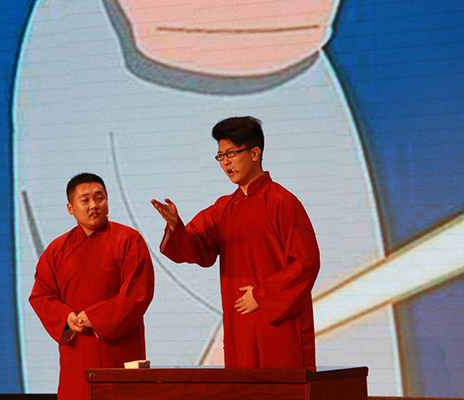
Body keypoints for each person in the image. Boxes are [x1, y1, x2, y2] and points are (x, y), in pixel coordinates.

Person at [151, 117, 320, 368]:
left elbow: (306, 263)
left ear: (255, 153)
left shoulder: (282, 201)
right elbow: (198, 248)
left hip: (278, 323)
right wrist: (176, 226)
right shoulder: (224, 208)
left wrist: (262, 296)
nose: (225, 162)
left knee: (282, 383)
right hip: (240, 324)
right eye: (221, 156)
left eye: (231, 153)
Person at [29, 173, 155, 400]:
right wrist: (66, 317)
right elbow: (41, 295)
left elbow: (137, 293)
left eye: (99, 198)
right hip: (77, 351)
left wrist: (96, 318)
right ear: (70, 208)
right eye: (85, 200)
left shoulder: (128, 239)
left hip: (120, 351)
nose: (94, 205)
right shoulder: (57, 250)